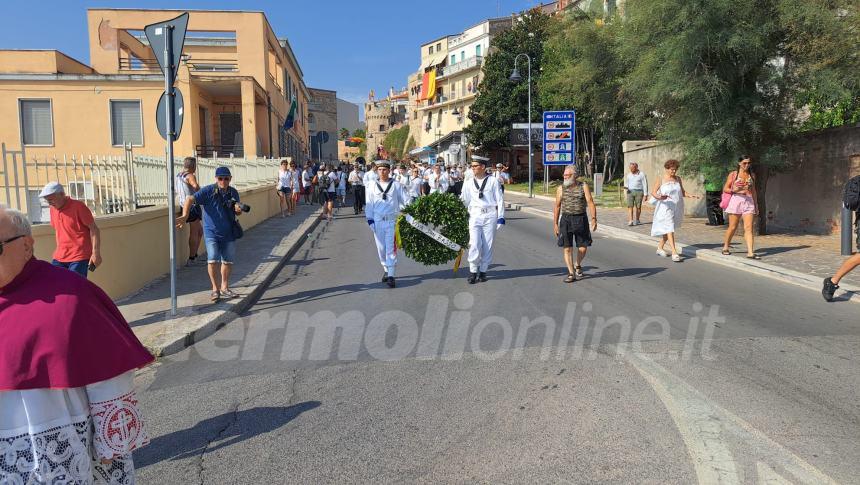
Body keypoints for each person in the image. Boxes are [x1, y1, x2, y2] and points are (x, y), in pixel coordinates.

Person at [0, 206, 154, 484]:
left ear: (26, 245)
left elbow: (108, 369)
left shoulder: (71, 294)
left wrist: (112, 443)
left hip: (66, 450)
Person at [176, 166, 245, 302]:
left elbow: (237, 211)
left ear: (230, 179)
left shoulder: (233, 192)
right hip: (212, 233)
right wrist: (185, 216)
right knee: (213, 259)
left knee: (228, 260)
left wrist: (238, 211)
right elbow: (190, 199)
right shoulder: (208, 191)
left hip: (229, 232)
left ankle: (225, 287)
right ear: (216, 179)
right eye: (220, 178)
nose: (223, 181)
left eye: (226, 178)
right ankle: (215, 289)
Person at [39, 181, 102, 279]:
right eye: (47, 200)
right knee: (54, 284)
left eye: (51, 199)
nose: (49, 203)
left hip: (79, 256)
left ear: (62, 194)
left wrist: (95, 253)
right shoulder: (52, 209)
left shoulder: (78, 207)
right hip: (60, 256)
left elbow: (94, 230)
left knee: (75, 287)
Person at [460, 156, 505, 284]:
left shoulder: (493, 181)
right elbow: (464, 200)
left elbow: (500, 199)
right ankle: (473, 272)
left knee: (487, 244)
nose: (472, 168)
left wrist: (501, 216)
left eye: (475, 166)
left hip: (490, 215)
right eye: (472, 166)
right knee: (474, 244)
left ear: (483, 167)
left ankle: (483, 271)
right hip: (474, 215)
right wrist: (457, 211)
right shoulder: (468, 182)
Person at [365, 160, 407, 288]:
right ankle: (386, 268)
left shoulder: (397, 185)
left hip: (391, 221)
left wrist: (409, 213)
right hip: (377, 222)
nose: (382, 172)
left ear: (389, 171)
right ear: (377, 171)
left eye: (384, 170)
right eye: (379, 170)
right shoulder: (371, 186)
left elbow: (406, 200)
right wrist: (370, 220)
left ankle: (391, 276)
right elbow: (369, 204)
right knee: (381, 249)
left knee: (390, 248)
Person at [553, 165, 598, 282]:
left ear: (574, 176)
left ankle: (577, 264)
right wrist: (555, 224)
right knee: (567, 248)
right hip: (566, 220)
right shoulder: (560, 188)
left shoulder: (583, 186)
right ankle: (571, 273)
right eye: (564, 175)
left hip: (580, 219)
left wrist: (594, 218)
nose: (565, 177)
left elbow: (590, 202)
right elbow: (557, 206)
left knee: (583, 247)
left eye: (567, 175)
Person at [650, 159, 700, 262]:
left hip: (677, 207)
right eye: (672, 170)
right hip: (665, 207)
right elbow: (653, 193)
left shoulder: (678, 179)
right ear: (667, 168)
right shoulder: (660, 179)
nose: (674, 172)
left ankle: (660, 248)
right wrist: (660, 197)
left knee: (669, 228)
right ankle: (674, 252)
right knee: (670, 228)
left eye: (675, 169)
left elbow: (682, 192)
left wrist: (690, 195)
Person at [721, 156, 760, 259]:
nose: (747, 165)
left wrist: (756, 205)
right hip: (736, 200)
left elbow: (754, 191)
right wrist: (736, 190)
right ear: (739, 163)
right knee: (732, 227)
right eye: (744, 163)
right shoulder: (733, 174)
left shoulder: (752, 175)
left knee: (748, 228)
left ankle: (750, 252)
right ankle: (725, 246)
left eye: (748, 163)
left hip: (748, 201)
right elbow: (725, 188)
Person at [176, 156, 203, 265]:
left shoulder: (179, 175)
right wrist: (201, 191)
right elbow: (195, 186)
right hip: (192, 205)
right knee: (195, 231)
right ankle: (191, 259)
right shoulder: (190, 176)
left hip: (184, 204)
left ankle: (195, 255)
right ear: (193, 166)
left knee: (200, 231)